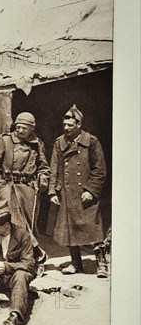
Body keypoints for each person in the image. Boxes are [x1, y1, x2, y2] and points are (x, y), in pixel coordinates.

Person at [0, 112, 50, 267]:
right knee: (13, 223)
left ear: (31, 128)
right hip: (8, 188)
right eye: (18, 127)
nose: (20, 131)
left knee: (29, 225)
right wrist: (1, 186)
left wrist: (43, 179)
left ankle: (28, 258)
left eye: (24, 128)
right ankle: (23, 255)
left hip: (28, 191)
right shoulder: (5, 140)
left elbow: (44, 167)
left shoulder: (37, 144)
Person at [48, 104, 107, 276]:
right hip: (66, 193)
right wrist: (52, 191)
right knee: (70, 229)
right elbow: (54, 168)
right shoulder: (59, 143)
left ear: (79, 125)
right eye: (64, 125)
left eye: (70, 125)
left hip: (86, 193)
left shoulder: (92, 141)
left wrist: (91, 190)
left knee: (93, 229)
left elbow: (100, 169)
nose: (66, 128)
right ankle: (76, 264)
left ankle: (102, 264)